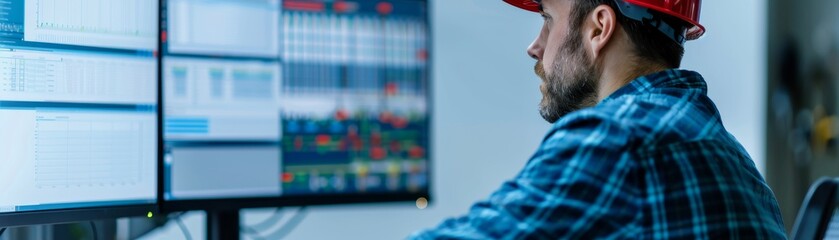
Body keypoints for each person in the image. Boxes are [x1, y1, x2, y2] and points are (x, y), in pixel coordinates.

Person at [410, 0, 788, 238]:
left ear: (599, 28)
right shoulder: (738, 163)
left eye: (547, 18)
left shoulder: (617, 138)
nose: (535, 46)